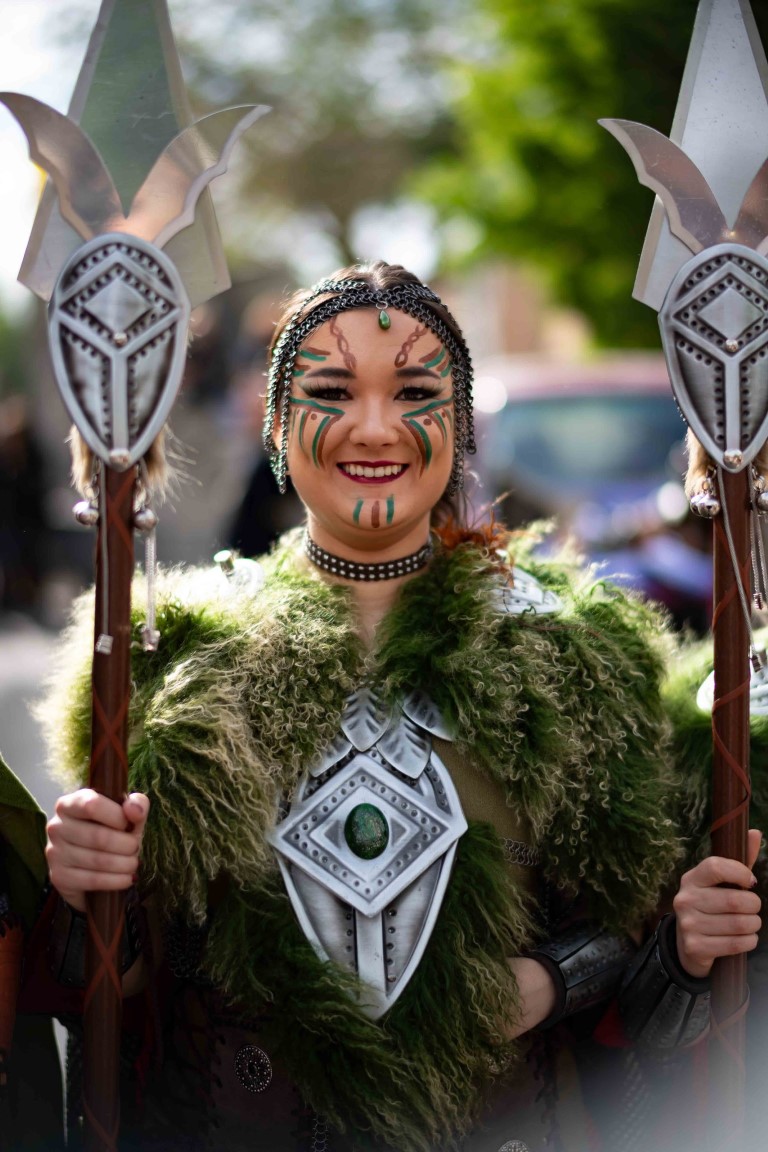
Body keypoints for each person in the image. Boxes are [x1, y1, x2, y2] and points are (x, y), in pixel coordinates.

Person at [39, 262, 762, 1152]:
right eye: (332, 392)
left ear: (460, 426)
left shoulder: (572, 659)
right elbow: (120, 993)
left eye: (415, 392)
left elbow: (635, 958)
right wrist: (84, 891)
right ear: (276, 425)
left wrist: (602, 969)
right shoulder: (176, 666)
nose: (375, 427)